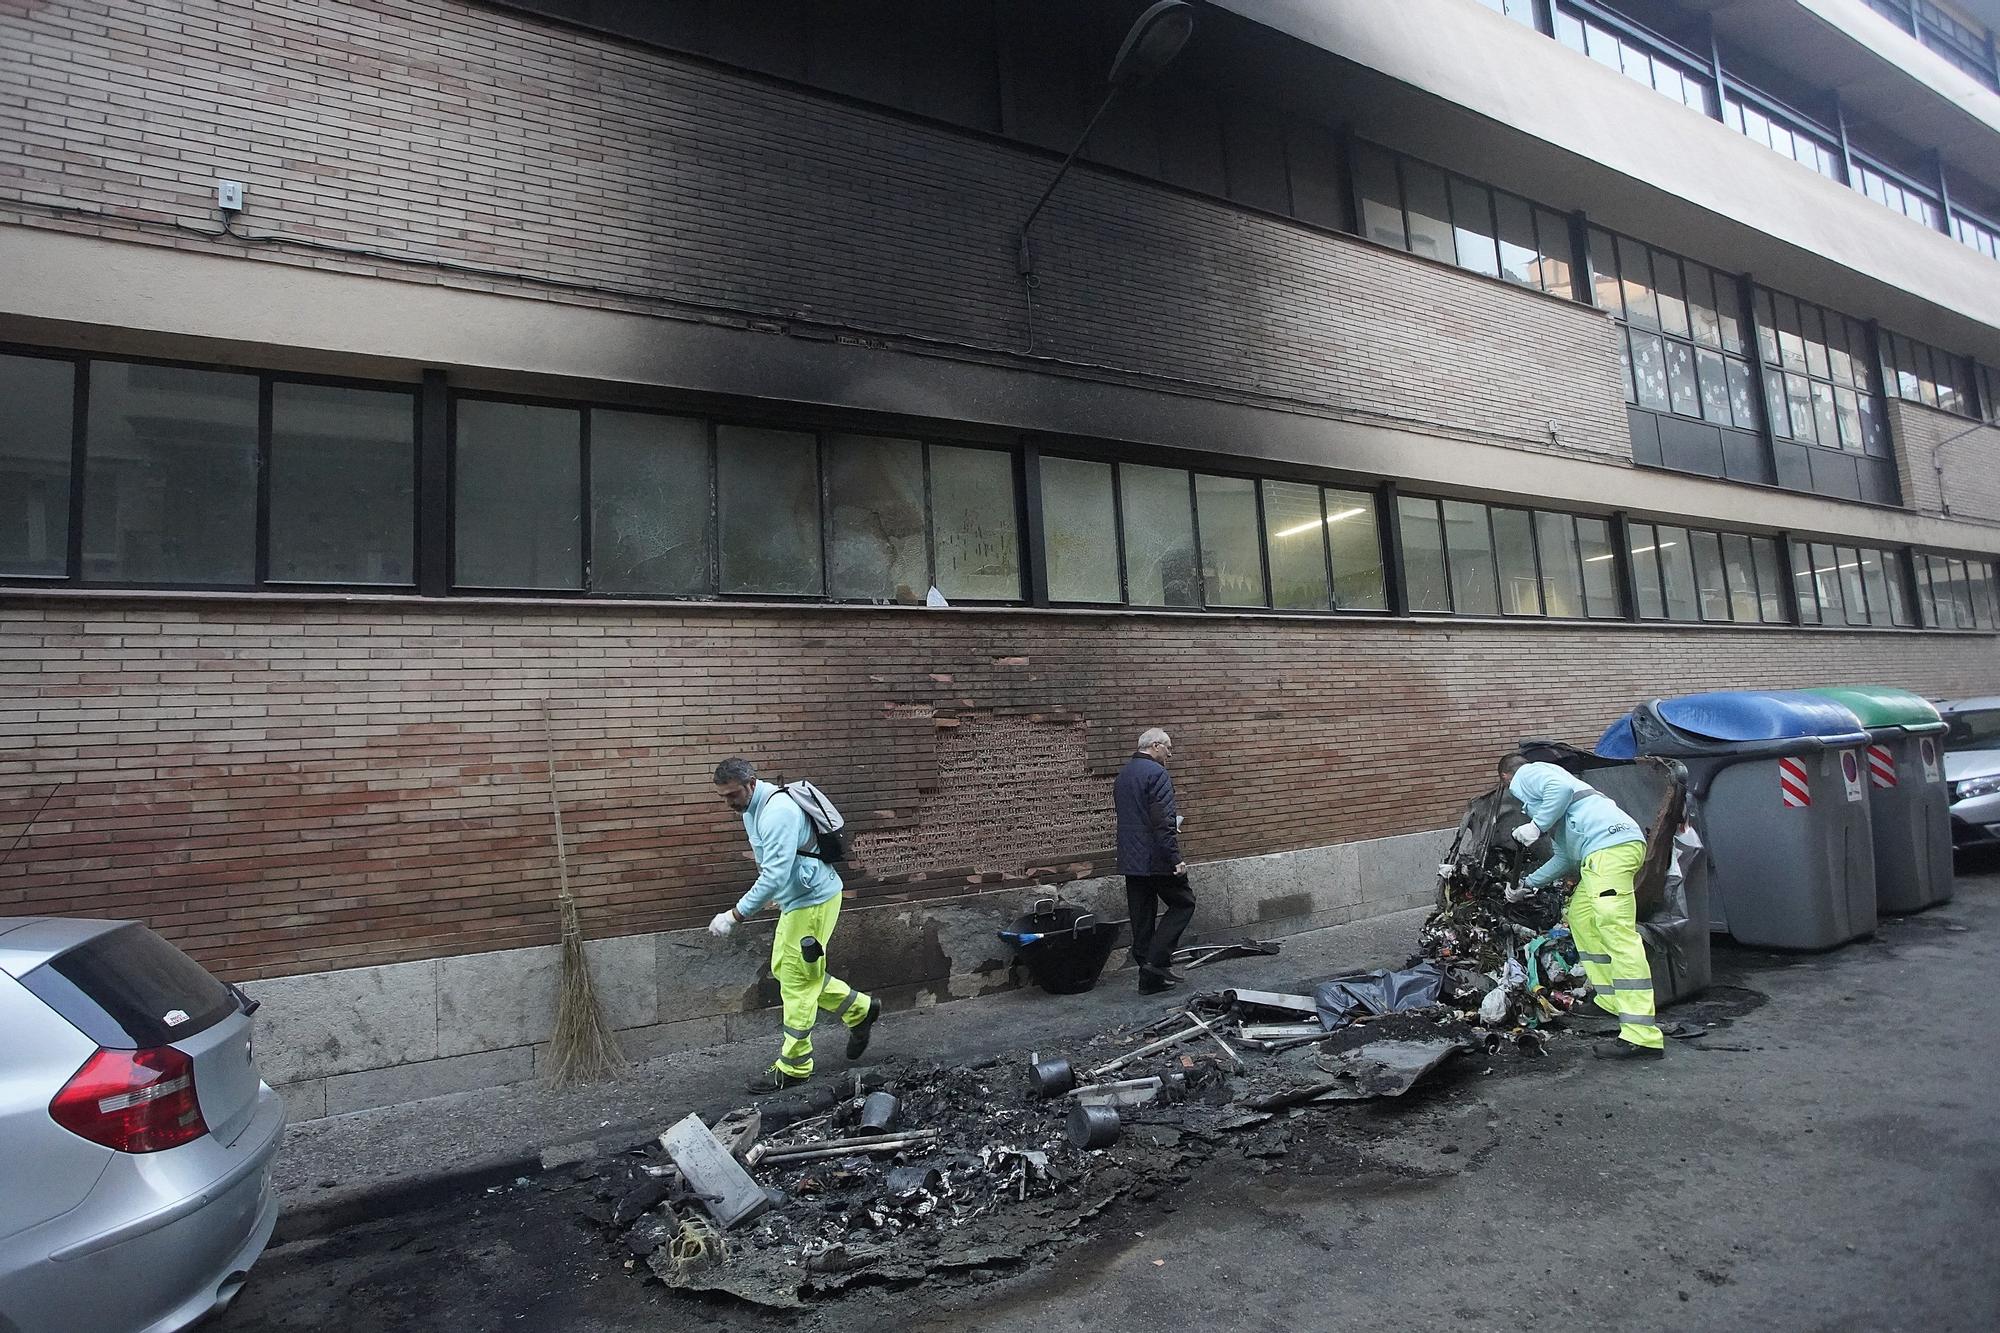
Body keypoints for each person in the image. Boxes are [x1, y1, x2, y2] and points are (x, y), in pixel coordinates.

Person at [708, 758, 879, 1092]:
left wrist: (735, 914)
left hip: (813, 901)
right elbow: (772, 864)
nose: (729, 802)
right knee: (788, 970)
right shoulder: (753, 810)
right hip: (801, 899)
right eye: (723, 797)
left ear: (751, 783)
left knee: (797, 982)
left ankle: (795, 1066)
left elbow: (775, 873)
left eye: (732, 794)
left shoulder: (776, 812)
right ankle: (860, 1010)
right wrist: (779, 893)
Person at [1498, 754, 1663, 1060]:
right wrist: (1527, 885)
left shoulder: (1529, 773)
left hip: (1609, 848)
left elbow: (1558, 788)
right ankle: (1610, 1000)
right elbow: (1564, 859)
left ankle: (1642, 1034)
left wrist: (1536, 825)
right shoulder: (1566, 819)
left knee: (1615, 930)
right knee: (1582, 916)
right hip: (1598, 854)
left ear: (1507, 779)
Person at [1115, 728, 1195, 996]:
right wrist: (1175, 859)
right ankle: (1156, 961)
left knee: (1142, 916)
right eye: (1168, 748)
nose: (1170, 753)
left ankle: (1148, 981)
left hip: (1131, 859)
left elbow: (1135, 817)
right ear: (1156, 746)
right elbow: (1162, 822)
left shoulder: (1124, 774)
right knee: (1184, 902)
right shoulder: (1157, 774)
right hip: (1156, 857)